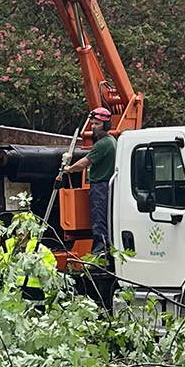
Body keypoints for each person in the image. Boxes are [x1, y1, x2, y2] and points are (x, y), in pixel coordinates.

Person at [60, 107, 117, 263]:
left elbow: (85, 162)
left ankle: (100, 255)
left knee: (99, 221)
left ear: (105, 125)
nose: (93, 127)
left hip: (101, 187)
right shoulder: (111, 141)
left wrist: (69, 169)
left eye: (97, 124)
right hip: (105, 187)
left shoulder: (103, 144)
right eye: (92, 123)